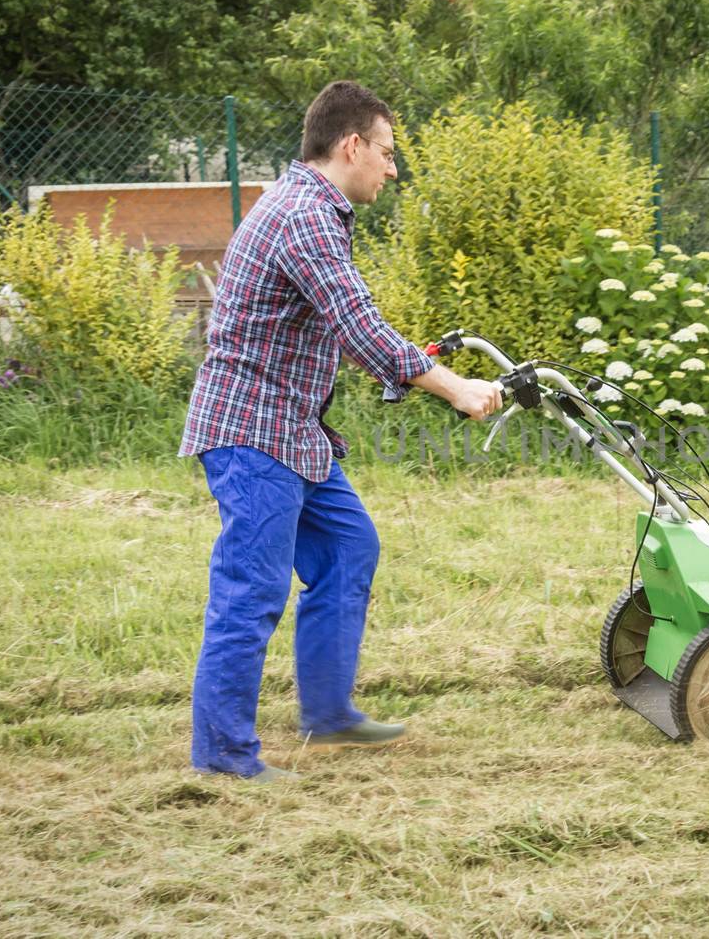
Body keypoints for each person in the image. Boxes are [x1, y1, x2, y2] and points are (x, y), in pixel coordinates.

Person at [178, 80, 503, 781]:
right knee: (252, 589)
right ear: (351, 146)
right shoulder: (304, 214)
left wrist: (424, 375)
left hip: (293, 431)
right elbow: (357, 325)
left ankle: (328, 717)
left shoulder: (312, 209)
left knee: (349, 547)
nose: (393, 168)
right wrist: (454, 388)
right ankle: (224, 758)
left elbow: (346, 330)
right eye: (386, 152)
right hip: (252, 428)